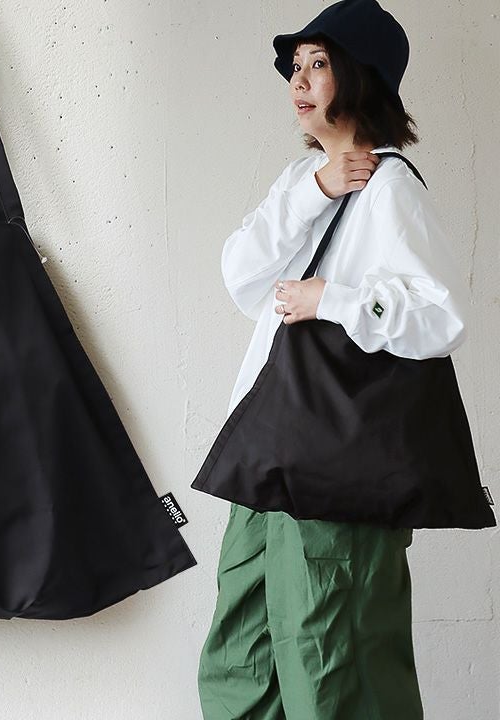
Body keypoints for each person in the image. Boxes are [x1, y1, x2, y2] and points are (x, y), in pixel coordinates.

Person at [196, 1, 470, 718]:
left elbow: (442, 316)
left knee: (332, 665)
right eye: (296, 66)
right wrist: (317, 190)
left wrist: (336, 300)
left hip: (335, 469)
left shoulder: (391, 189)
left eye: (318, 63)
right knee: (241, 664)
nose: (299, 80)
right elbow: (240, 276)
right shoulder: (301, 181)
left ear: (361, 76)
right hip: (270, 456)